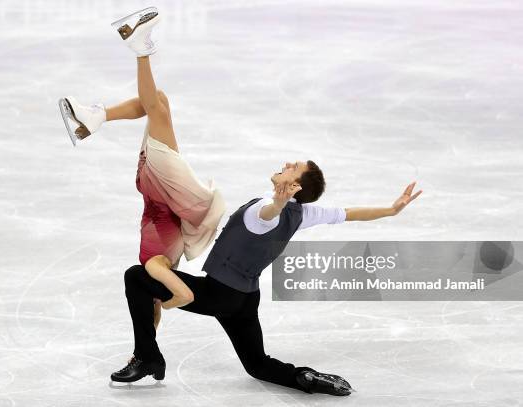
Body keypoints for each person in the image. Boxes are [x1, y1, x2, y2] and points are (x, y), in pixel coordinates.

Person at [107, 7, 423, 397]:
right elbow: (350, 214)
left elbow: (266, 217)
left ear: (293, 187)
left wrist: (275, 202)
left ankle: (147, 356)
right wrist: (390, 210)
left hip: (221, 294)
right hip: (245, 298)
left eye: (293, 170)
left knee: (137, 278)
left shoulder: (266, 212)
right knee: (257, 364)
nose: (287, 164)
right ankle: (304, 378)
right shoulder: (305, 213)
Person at [58, 7, 225, 329]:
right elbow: (178, 296)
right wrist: (165, 304)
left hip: (161, 185)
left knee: (156, 108)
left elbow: (186, 296)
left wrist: (168, 302)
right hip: (159, 187)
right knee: (158, 101)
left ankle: (140, 47)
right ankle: (97, 117)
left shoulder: (154, 267)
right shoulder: (157, 267)